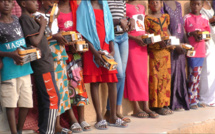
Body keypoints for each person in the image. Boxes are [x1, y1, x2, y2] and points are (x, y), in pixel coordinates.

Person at [77, 0, 127, 130]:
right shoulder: (83, 6)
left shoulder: (104, 4)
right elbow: (83, 30)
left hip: (105, 47)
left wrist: (111, 48)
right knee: (95, 82)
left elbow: (109, 26)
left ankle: (113, 116)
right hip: (91, 49)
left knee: (112, 81)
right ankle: (99, 117)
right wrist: (94, 52)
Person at [17, 0, 60, 133]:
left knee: (46, 99)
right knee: (53, 98)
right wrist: (42, 25)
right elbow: (35, 42)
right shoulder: (24, 19)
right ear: (23, 4)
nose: (37, 3)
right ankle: (48, 131)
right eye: (33, 1)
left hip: (46, 63)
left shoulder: (31, 18)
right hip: (42, 65)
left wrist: (45, 23)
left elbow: (44, 36)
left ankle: (43, 129)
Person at [0, 0, 33, 134]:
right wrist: (10, 54)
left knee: (26, 102)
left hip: (25, 68)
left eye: (9, 1)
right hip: (9, 71)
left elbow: (24, 41)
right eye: (2, 1)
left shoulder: (16, 20)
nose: (6, 4)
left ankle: (19, 130)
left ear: (14, 5)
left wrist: (30, 50)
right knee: (10, 103)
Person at [57, 0, 91, 132]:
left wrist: (78, 46)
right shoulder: (54, 9)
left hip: (75, 53)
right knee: (66, 87)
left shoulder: (76, 8)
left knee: (78, 85)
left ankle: (82, 118)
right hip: (61, 54)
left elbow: (83, 28)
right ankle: (73, 119)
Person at [124, 0, 159, 119]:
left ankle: (145, 105)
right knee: (133, 74)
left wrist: (148, 37)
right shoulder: (124, 6)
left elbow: (142, 26)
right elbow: (123, 30)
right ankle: (136, 108)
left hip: (142, 45)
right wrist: (134, 38)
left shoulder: (142, 6)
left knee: (144, 75)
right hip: (132, 44)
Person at [144, 0, 173, 115]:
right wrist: (158, 41)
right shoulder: (147, 19)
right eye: (152, 2)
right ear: (149, 5)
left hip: (166, 51)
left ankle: (165, 103)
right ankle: (156, 106)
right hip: (155, 51)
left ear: (161, 4)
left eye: (157, 2)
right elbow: (146, 35)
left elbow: (167, 31)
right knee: (156, 78)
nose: (155, 4)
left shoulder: (165, 17)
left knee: (166, 78)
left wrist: (171, 42)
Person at [105, 0, 130, 123]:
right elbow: (106, 19)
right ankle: (110, 110)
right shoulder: (105, 1)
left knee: (122, 75)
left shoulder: (122, 1)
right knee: (119, 74)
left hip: (124, 37)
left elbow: (123, 17)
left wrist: (128, 22)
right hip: (112, 38)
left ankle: (115, 110)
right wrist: (119, 21)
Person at [161, 0, 190, 111]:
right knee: (172, 71)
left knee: (180, 71)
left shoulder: (178, 4)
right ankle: (171, 103)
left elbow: (181, 25)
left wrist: (186, 42)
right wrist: (175, 44)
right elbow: (165, 27)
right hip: (171, 43)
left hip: (181, 42)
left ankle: (180, 101)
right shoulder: (163, 4)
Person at [184, 0, 210, 109]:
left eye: (198, 4)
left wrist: (202, 36)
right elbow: (183, 33)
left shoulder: (204, 19)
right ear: (190, 5)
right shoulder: (186, 18)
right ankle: (191, 100)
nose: (196, 6)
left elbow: (208, 34)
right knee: (193, 75)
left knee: (197, 76)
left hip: (201, 51)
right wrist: (191, 34)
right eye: (193, 4)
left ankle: (196, 98)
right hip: (191, 51)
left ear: (201, 6)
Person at [199, 0, 215, 107]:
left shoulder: (210, 4)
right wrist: (212, 20)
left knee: (212, 70)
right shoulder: (198, 4)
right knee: (206, 70)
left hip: (212, 39)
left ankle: (212, 97)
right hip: (206, 39)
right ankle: (204, 98)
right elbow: (200, 22)